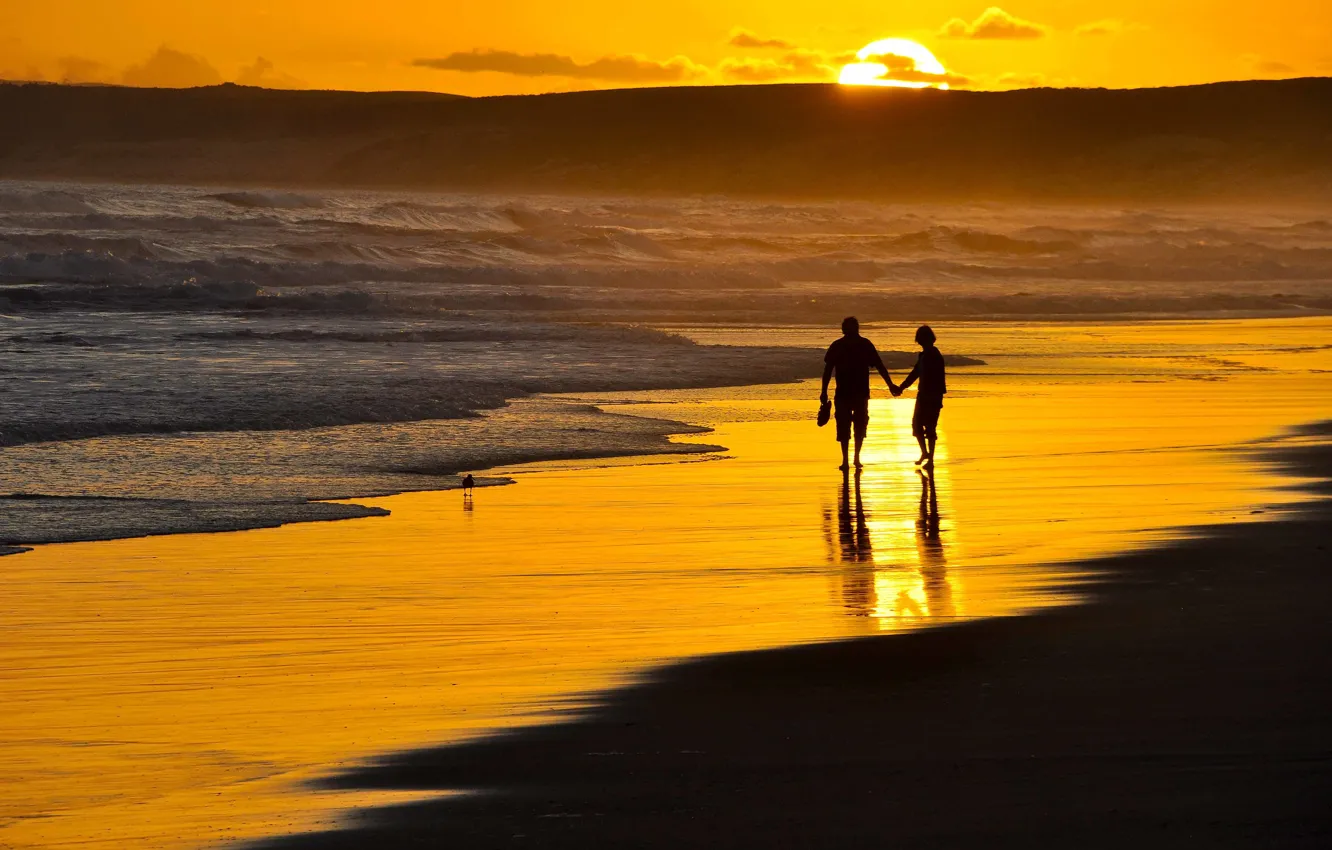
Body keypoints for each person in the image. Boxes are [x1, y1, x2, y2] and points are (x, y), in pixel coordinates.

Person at [821, 317, 899, 471]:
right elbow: (828, 370)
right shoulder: (854, 345)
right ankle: (847, 459)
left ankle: (854, 458)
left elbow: (879, 365)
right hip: (848, 393)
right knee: (848, 425)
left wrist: (890, 384)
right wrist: (823, 391)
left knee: (856, 424)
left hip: (856, 393)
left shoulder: (856, 345)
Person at [898, 325, 946, 468]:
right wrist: (902, 387)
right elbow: (915, 373)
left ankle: (930, 459)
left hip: (933, 395)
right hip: (924, 395)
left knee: (930, 427)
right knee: (917, 425)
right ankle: (925, 453)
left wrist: (901, 387)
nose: (919, 341)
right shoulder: (924, 355)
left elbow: (932, 377)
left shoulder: (934, 355)